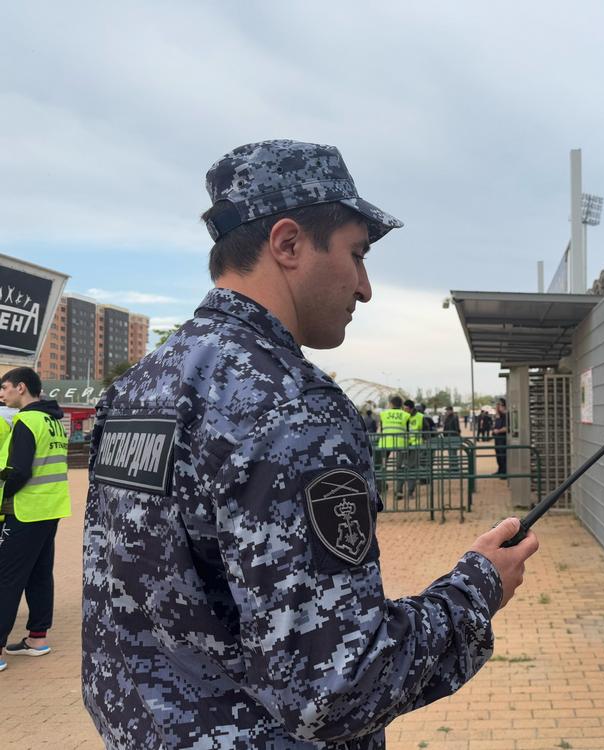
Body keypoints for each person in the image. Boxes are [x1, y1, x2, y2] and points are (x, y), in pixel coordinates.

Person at [81, 140, 538, 748]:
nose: (365, 288)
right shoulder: (292, 406)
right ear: (289, 244)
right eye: (357, 254)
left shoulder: (139, 387)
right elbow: (336, 686)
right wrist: (476, 589)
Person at [0, 367, 70, 673]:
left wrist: (3, 491)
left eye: (4, 388)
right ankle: (37, 638)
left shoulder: (26, 420)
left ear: (21, 387)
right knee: (40, 574)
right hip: (50, 508)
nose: (2, 394)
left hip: (26, 510)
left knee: (6, 578)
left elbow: (19, 471)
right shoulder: (54, 421)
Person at [376, 396, 408, 498]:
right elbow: (408, 431)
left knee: (382, 466)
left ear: (391, 404)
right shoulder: (406, 415)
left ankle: (380, 488)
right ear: (401, 405)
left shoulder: (383, 414)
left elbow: (381, 429)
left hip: (385, 444)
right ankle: (399, 491)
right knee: (400, 467)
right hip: (401, 444)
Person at [441, 405, 461, 471]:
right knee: (450, 453)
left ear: (451, 410)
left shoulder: (454, 417)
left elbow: (456, 428)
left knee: (453, 453)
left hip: (453, 437)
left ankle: (454, 467)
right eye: (446, 410)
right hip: (448, 437)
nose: (447, 412)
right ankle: (452, 466)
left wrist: (457, 435)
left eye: (448, 410)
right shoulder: (448, 417)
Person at [492, 398, 508, 476]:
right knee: (498, 456)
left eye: (499, 405)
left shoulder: (506, 416)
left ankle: (504, 472)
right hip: (497, 439)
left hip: (503, 439)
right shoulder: (498, 417)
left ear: (504, 406)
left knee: (503, 456)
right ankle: (500, 470)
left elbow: (507, 428)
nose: (497, 407)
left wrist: (498, 431)